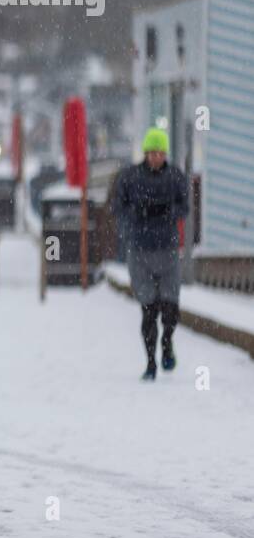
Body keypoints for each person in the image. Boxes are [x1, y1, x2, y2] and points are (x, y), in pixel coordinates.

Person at [113, 127, 189, 381]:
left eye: (160, 152)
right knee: (148, 309)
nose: (156, 157)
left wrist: (168, 213)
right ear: (145, 153)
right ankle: (150, 363)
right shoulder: (130, 177)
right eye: (152, 152)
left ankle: (167, 341)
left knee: (170, 308)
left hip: (167, 249)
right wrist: (135, 218)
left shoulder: (175, 177)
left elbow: (185, 205)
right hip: (140, 251)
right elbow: (118, 208)